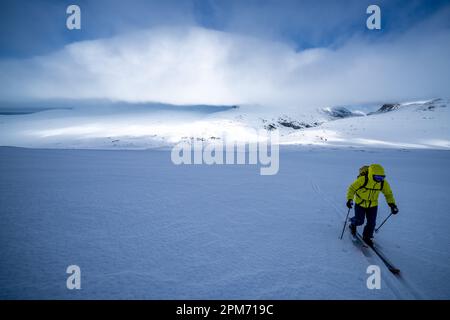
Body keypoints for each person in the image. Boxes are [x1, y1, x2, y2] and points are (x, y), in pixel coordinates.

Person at [346, 164, 399, 246]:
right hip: (360, 203)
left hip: (373, 205)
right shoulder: (363, 180)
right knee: (359, 220)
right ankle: (352, 224)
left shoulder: (383, 183)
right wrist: (350, 199)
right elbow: (352, 189)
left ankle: (367, 237)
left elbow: (388, 194)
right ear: (371, 175)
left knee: (371, 223)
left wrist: (392, 204)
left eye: (382, 178)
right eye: (377, 177)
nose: (379, 180)